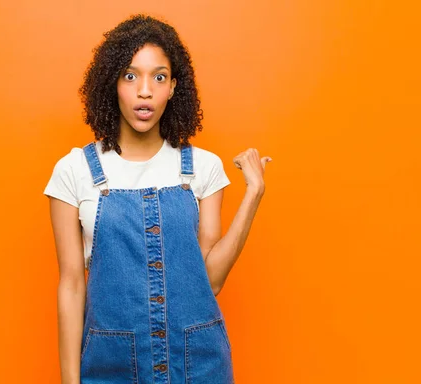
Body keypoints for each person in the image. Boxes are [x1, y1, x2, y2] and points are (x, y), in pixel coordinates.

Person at [44, 14, 271, 384]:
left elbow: (210, 279)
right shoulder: (74, 171)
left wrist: (253, 195)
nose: (145, 90)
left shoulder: (202, 168)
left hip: (198, 364)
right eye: (130, 76)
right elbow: (71, 285)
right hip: (110, 364)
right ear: (112, 83)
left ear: (173, 87)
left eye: (159, 77)